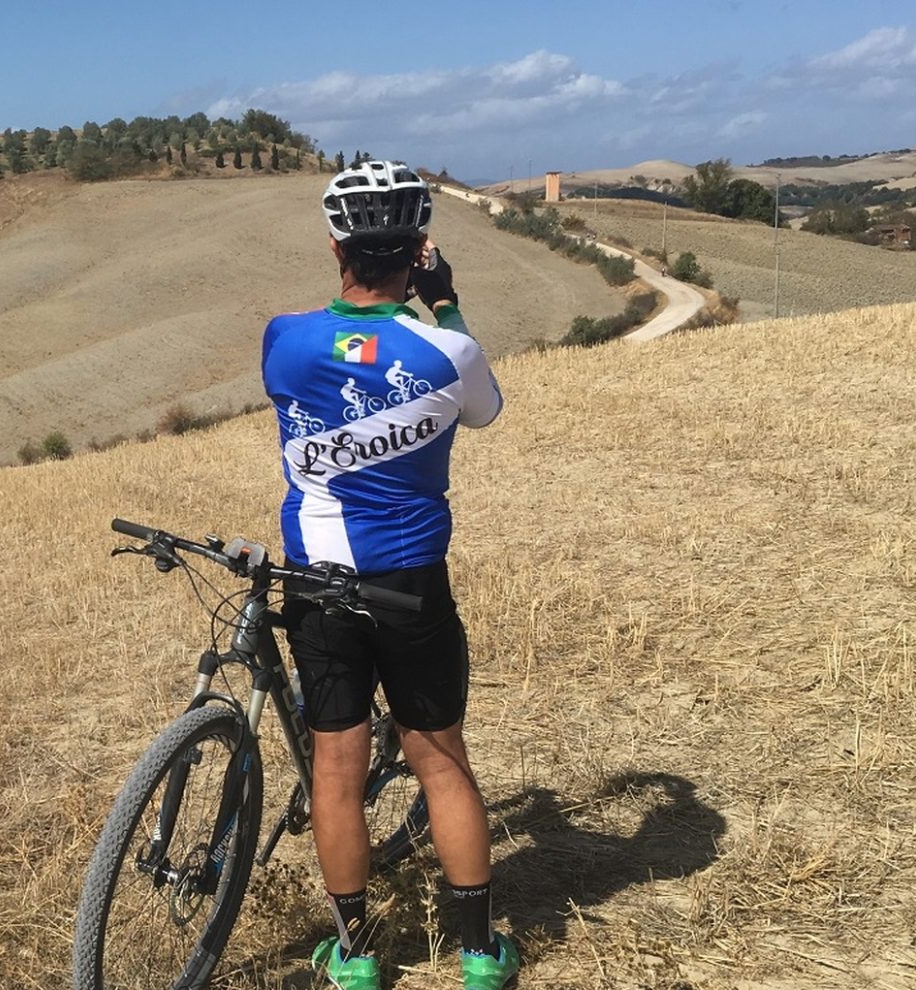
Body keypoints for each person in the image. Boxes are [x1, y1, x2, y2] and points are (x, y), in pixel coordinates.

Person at [259, 160, 516, 990]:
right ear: (418, 252)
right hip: (410, 581)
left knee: (336, 772)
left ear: (337, 248)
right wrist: (443, 302)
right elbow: (485, 409)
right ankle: (479, 956)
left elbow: (342, 353)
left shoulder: (282, 338)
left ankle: (357, 955)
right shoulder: (448, 350)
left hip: (317, 581)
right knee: (440, 760)